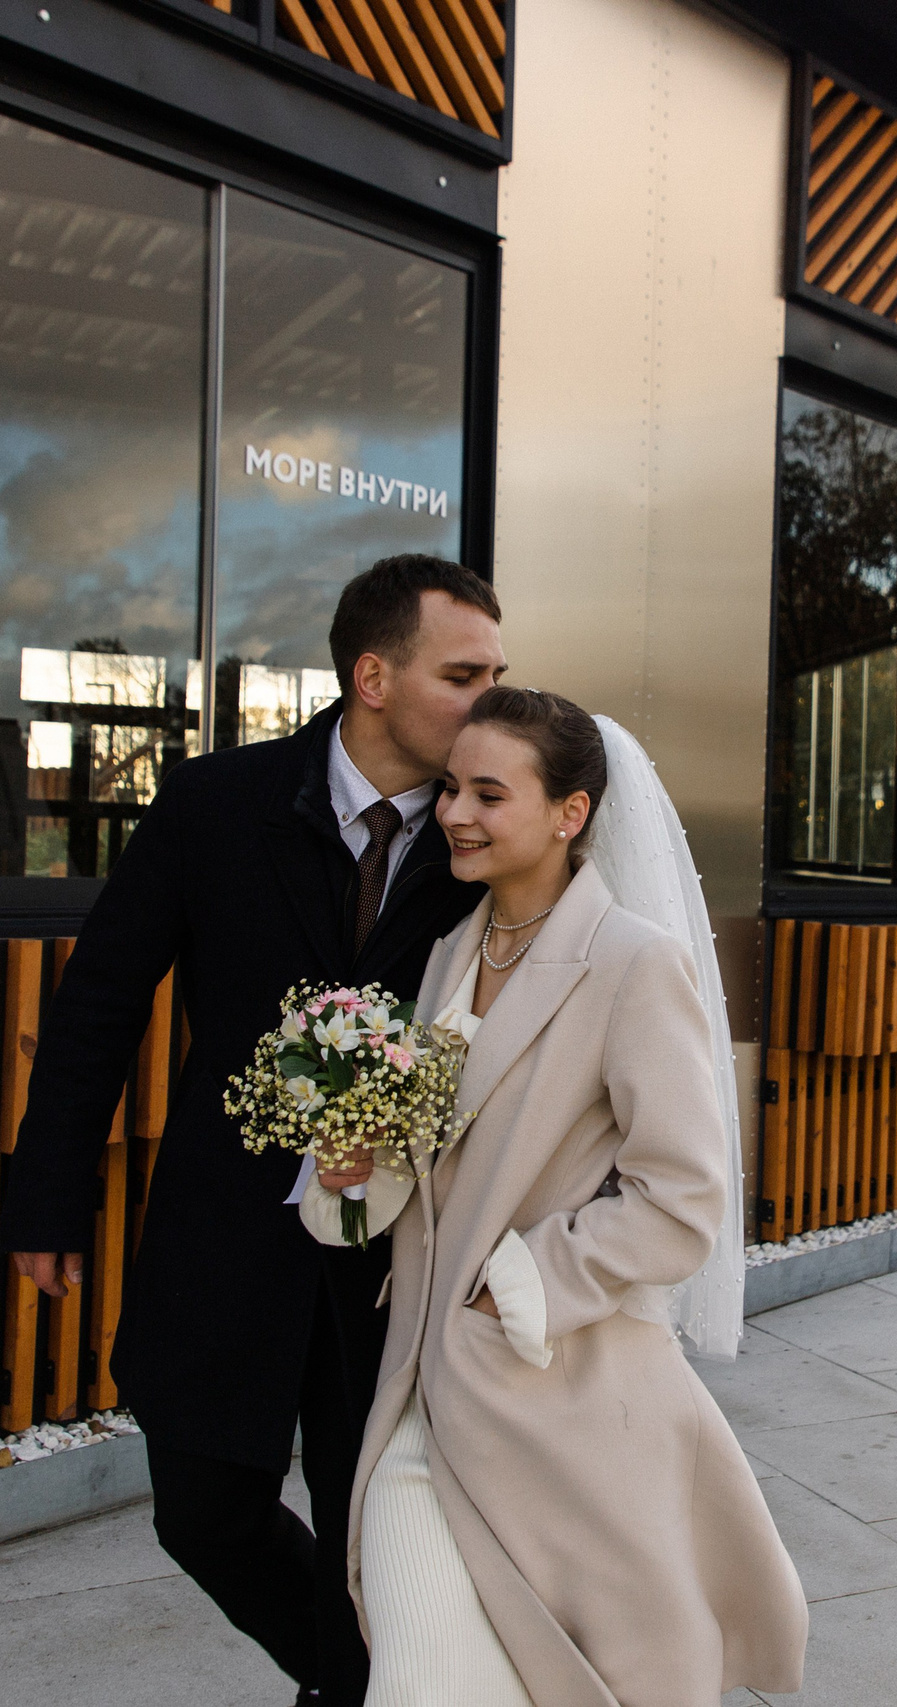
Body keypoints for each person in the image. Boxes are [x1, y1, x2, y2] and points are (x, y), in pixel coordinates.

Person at [0, 555, 507, 1707]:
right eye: (463, 674)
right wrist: (48, 1195)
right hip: (221, 1230)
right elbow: (100, 1006)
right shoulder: (211, 803)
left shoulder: (489, 841)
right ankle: (358, 1684)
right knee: (203, 1511)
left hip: (396, 1257)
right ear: (372, 677)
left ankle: (357, 1692)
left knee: (369, 1533)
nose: (491, 701)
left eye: (497, 674)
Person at [308, 686, 805, 1707]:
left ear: (570, 813)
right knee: (417, 1679)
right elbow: (438, 1169)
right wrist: (353, 1175)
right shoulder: (452, 951)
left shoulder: (632, 963)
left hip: (557, 1396)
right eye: (451, 787)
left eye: (490, 793)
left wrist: (516, 1286)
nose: (454, 813)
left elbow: (681, 1197)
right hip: (418, 1397)